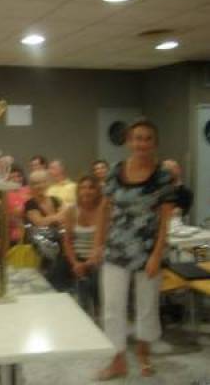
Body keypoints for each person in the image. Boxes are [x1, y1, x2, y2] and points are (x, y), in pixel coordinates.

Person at [90, 120, 175, 380]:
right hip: (116, 248)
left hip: (148, 250)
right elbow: (105, 209)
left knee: (146, 305)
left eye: (147, 138)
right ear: (129, 141)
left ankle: (143, 355)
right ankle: (117, 360)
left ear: (154, 143)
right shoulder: (116, 170)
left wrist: (157, 255)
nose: (141, 143)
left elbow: (165, 219)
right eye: (137, 138)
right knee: (113, 306)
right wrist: (97, 244)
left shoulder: (164, 176)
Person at [62, 175, 102, 317]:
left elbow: (106, 242)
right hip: (77, 259)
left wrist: (89, 262)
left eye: (91, 187)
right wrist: (75, 263)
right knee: (81, 282)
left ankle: (98, 312)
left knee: (95, 276)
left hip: (99, 258)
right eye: (83, 187)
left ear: (98, 190)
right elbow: (67, 241)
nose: (87, 191)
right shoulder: (71, 211)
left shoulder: (104, 210)